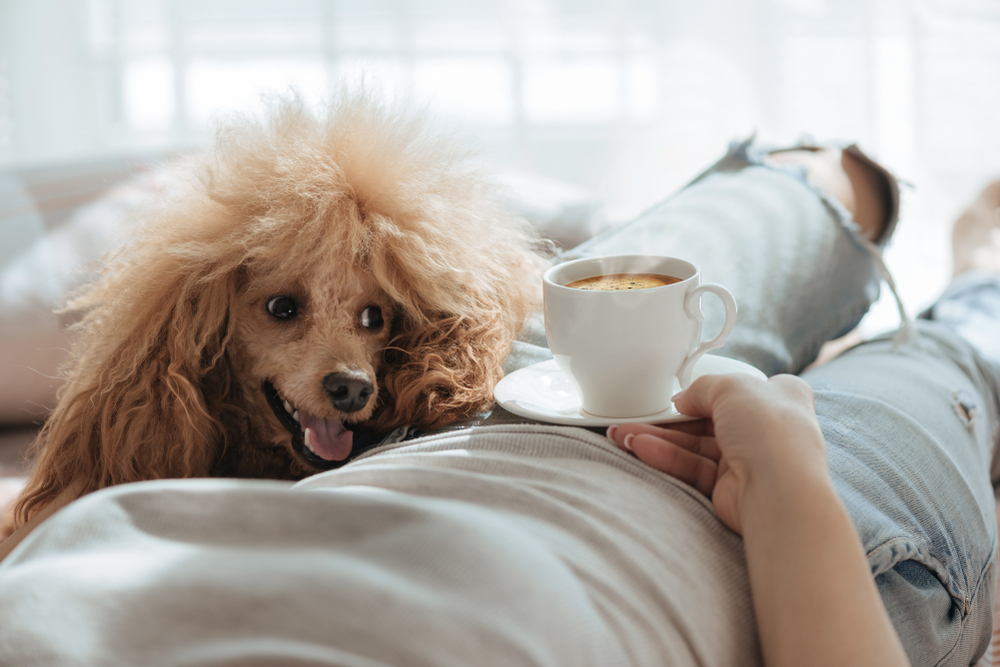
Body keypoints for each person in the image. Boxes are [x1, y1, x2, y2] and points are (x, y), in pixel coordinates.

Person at [0, 138, 997, 667]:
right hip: (789, 544)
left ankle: (830, 180)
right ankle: (976, 281)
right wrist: (787, 484)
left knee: (799, 186)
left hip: (487, 399)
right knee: (942, 353)